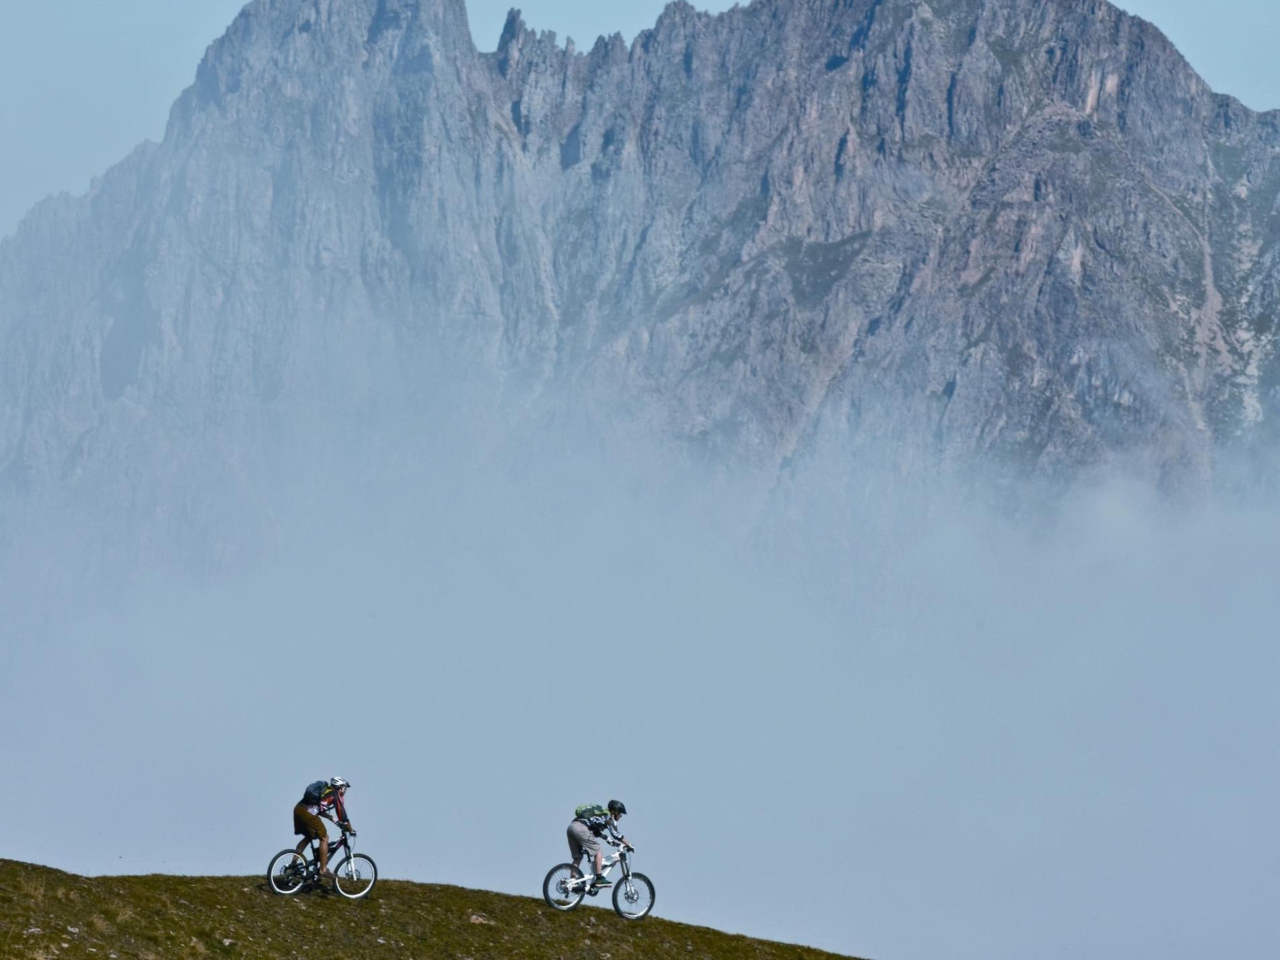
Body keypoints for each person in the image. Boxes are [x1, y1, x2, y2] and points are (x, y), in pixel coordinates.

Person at [293, 776, 356, 878]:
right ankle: (323, 870)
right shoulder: (335, 795)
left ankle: (293, 865)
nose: (345, 791)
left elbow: (319, 809)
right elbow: (342, 815)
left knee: (309, 836)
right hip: (307, 813)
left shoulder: (325, 792)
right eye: (344, 788)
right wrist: (351, 829)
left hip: (298, 809)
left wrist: (332, 819)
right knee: (324, 837)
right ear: (339, 787)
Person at [567, 799, 631, 889]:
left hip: (572, 827)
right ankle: (599, 878)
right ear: (615, 811)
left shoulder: (600, 815)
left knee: (578, 857)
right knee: (598, 851)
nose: (620, 816)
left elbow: (596, 832)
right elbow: (616, 834)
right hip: (582, 829)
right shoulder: (608, 817)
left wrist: (609, 840)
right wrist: (629, 844)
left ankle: (572, 881)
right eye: (620, 813)